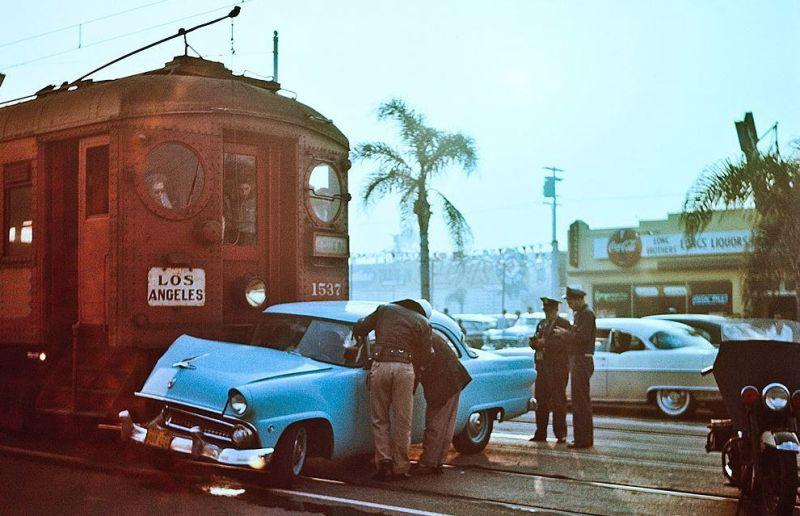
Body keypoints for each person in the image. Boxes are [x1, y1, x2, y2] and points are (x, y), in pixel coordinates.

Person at [353, 298, 434, 481]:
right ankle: (400, 468)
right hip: (405, 369)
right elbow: (427, 354)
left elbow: (361, 329)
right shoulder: (423, 322)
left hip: (380, 365)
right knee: (403, 422)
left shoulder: (384, 309)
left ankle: (384, 464)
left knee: (379, 418)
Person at [413, 331, 472, 475]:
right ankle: (438, 461)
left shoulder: (416, 340)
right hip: (455, 379)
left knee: (435, 424)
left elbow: (416, 369)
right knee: (446, 425)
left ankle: (428, 463)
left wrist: (410, 393)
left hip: (442, 384)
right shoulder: (427, 334)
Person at [553, 287, 596, 449]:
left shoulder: (586, 314)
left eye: (570, 301)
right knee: (580, 401)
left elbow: (582, 338)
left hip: (581, 361)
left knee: (581, 402)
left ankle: (583, 440)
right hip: (579, 361)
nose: (569, 305)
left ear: (579, 300)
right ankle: (583, 438)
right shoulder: (582, 314)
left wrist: (565, 334)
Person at [528, 297, 571, 443]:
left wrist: (544, 343)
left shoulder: (563, 324)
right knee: (541, 401)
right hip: (542, 367)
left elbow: (563, 343)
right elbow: (537, 339)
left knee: (558, 401)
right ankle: (541, 432)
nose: (547, 313)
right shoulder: (542, 324)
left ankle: (560, 433)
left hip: (557, 368)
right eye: (545, 310)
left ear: (556, 310)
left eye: (550, 310)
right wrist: (534, 343)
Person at [224, 178, 257, 245]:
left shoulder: (255, 202)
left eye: (246, 189)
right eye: (241, 190)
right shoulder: (234, 202)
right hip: (236, 232)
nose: (244, 192)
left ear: (251, 188)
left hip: (249, 233)